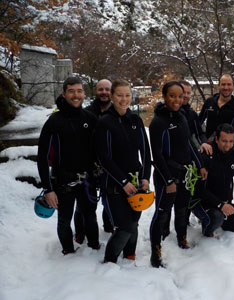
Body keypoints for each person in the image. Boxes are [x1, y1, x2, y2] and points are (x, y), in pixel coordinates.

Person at [37, 77, 100, 255]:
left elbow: (101, 149)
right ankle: (68, 253)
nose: (76, 95)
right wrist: (48, 189)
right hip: (62, 181)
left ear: (84, 94)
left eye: (79, 91)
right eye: (71, 91)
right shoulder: (54, 122)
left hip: (87, 179)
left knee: (90, 215)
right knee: (64, 220)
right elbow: (41, 158)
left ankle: (94, 247)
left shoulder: (91, 118)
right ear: (64, 94)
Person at [149, 81, 207, 268]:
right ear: (164, 96)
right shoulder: (158, 122)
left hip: (184, 173)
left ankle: (182, 238)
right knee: (162, 213)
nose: (176, 100)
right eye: (172, 96)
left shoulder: (182, 116)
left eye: (179, 96)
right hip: (166, 175)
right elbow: (157, 155)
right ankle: (155, 251)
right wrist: (168, 180)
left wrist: (200, 165)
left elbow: (189, 143)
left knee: (182, 210)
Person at [94, 78, 151, 263]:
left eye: (127, 95)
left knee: (134, 223)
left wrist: (146, 177)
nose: (124, 99)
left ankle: (129, 256)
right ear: (111, 96)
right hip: (114, 186)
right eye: (119, 95)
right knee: (124, 227)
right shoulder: (105, 122)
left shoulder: (135, 119)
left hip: (137, 183)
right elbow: (104, 158)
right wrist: (123, 182)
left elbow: (145, 151)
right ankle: (110, 261)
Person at [74, 79, 114, 245]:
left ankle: (108, 224)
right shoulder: (87, 112)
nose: (104, 92)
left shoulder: (116, 111)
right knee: (83, 202)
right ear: (95, 91)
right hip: (89, 164)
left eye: (107, 89)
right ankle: (80, 231)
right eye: (100, 89)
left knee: (109, 197)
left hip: (109, 165)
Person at [192, 123, 234, 237]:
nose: (228, 145)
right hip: (203, 203)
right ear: (216, 139)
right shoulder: (206, 156)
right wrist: (220, 205)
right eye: (224, 141)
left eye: (231, 141)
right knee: (216, 218)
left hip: (224, 202)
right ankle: (206, 228)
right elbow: (199, 189)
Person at [199, 74, 234, 169]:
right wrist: (202, 142)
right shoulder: (210, 102)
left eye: (229, 85)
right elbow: (197, 125)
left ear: (233, 86)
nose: (226, 88)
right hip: (209, 148)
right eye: (223, 84)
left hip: (228, 149)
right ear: (218, 85)